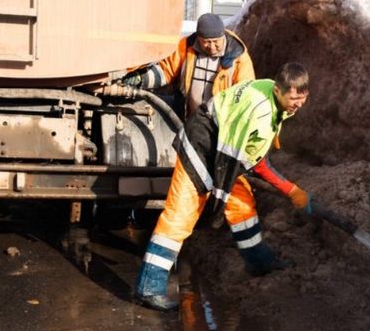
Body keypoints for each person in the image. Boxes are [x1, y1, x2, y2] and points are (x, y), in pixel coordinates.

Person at [134, 62, 313, 311]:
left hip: (223, 146)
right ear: (278, 91)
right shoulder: (259, 113)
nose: (298, 104)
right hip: (201, 147)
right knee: (181, 215)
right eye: (294, 98)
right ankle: (148, 288)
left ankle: (258, 262)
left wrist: (290, 189)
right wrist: (288, 189)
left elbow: (251, 159)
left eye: (303, 98)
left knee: (242, 207)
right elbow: (233, 164)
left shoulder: (271, 90)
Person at [122, 12, 255, 118]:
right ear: (198, 38)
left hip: (221, 123)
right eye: (207, 42)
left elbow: (246, 93)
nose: (212, 47)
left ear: (223, 37)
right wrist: (141, 79)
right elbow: (166, 70)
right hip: (188, 117)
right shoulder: (186, 47)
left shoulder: (238, 56)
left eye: (216, 42)